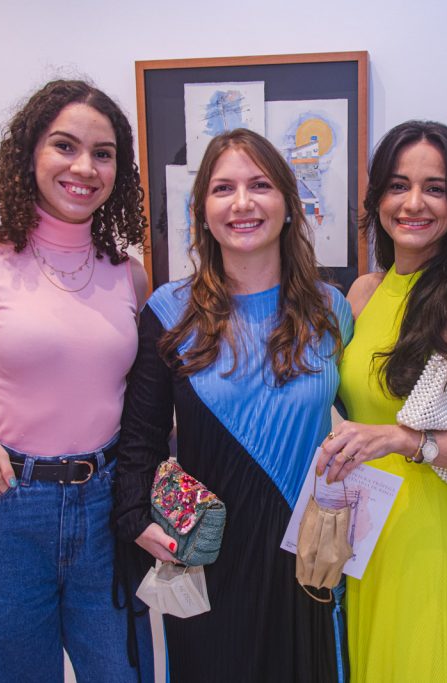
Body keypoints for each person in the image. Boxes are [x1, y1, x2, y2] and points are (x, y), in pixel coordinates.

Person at [0, 80, 153, 682]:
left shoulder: (130, 276)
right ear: (30, 154)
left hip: (106, 506)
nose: (84, 167)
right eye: (64, 146)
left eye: (103, 153)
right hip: (3, 511)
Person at [111, 128, 353, 682]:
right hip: (206, 555)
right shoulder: (168, 311)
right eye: (224, 189)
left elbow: (373, 416)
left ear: (289, 205)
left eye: (260, 185)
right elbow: (140, 436)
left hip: (305, 560)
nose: (242, 203)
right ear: (202, 210)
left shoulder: (330, 310)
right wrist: (133, 519)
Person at [316, 120, 447, 683]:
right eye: (398, 185)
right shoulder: (363, 291)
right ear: (378, 197)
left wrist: (405, 439)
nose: (414, 203)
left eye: (434, 188)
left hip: (421, 537)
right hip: (358, 530)